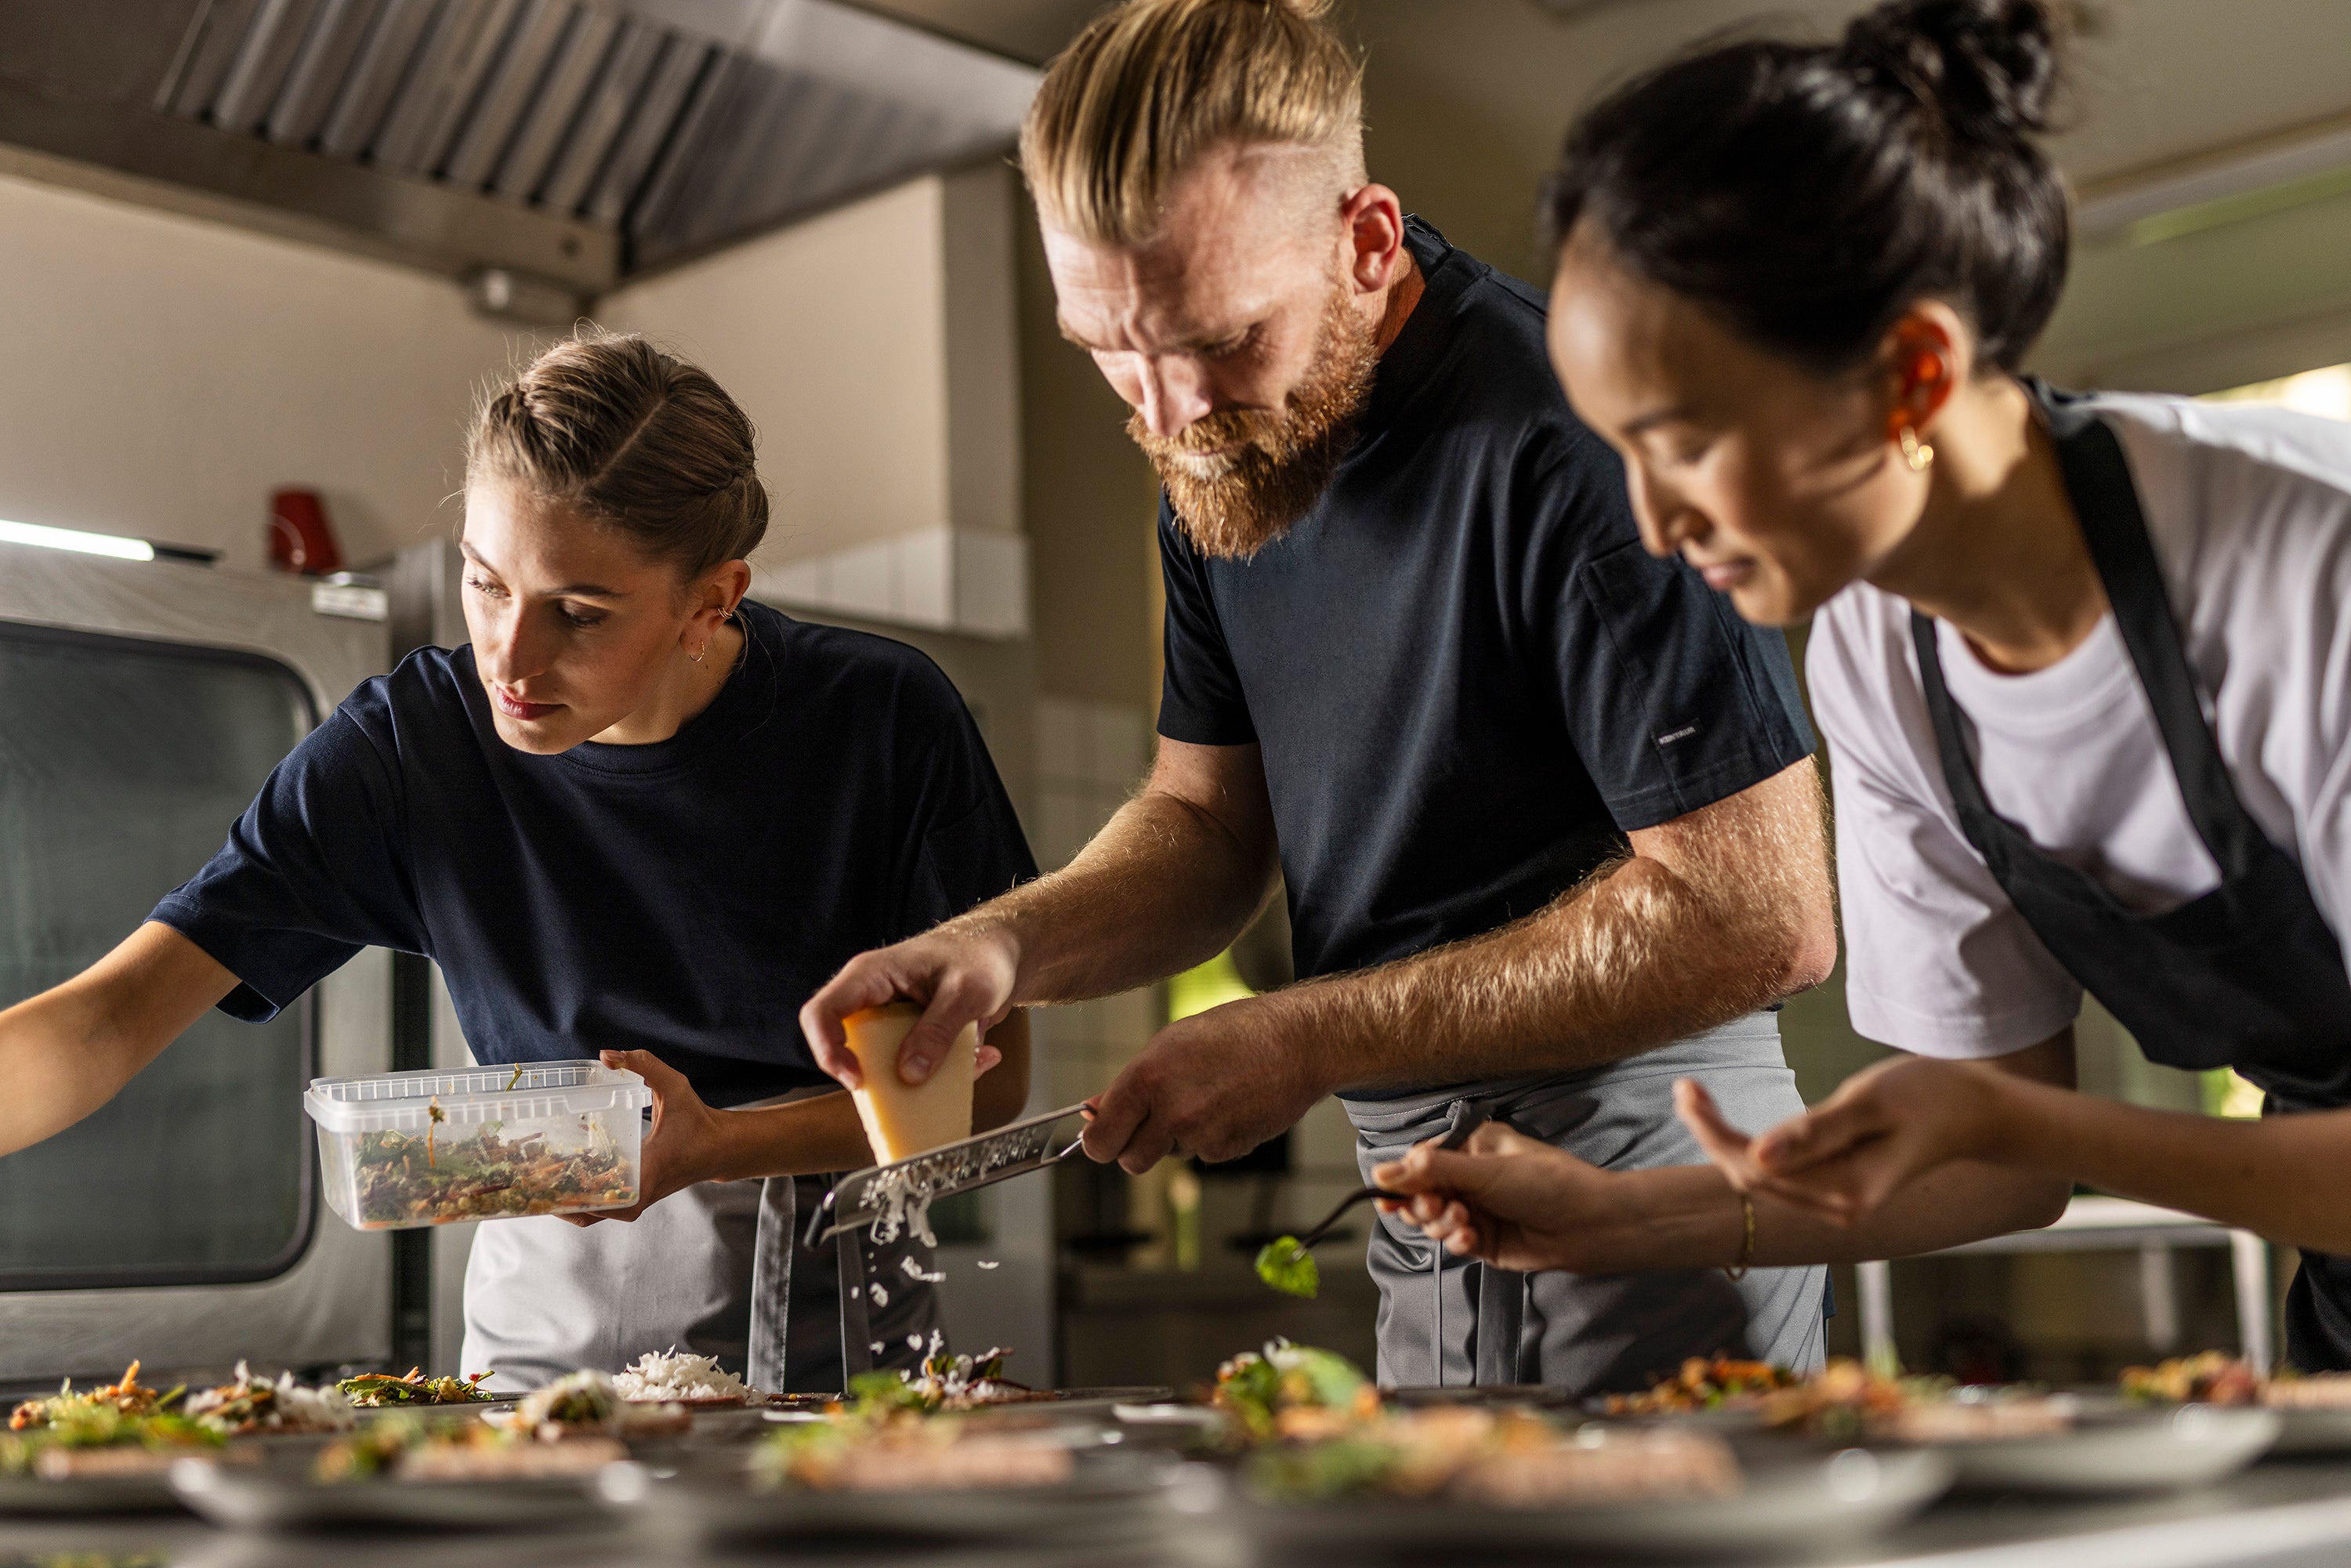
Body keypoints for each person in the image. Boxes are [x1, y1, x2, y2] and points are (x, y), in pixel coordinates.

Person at [802, 0, 1838, 1394]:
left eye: (1219, 338)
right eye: (1108, 346)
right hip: (1415, 1180)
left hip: (1656, 1165)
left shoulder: (1569, 447)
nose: (1163, 410)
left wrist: (1307, 1032)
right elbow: (1204, 824)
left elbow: (1760, 917)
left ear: (1364, 240)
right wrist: (1005, 949)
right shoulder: (1220, 462)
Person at [1373, 0, 2351, 1371]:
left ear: (1911, 373)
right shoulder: (1886, 657)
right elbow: (1991, 1161)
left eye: (1686, 443)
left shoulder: (2309, 577)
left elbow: (2022, 1138)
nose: (1654, 523)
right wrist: (1611, 1218)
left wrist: (2040, 1131)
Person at [0, 332, 1037, 1389]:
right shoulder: (408, 749)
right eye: (485, 583)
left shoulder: (879, 719)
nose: (510, 657)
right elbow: (114, 1015)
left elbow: (989, 1090)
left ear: (712, 601)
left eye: (577, 614)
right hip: (540, 1356)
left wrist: (713, 1142)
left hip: (841, 1345)